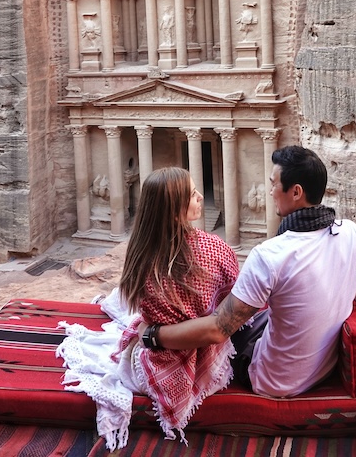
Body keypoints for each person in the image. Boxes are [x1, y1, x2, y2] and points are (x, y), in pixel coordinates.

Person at [138, 146, 356, 399]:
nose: (270, 192)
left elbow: (217, 330)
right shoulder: (353, 233)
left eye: (274, 184)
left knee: (230, 326)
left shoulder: (269, 255)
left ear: (296, 192)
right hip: (324, 368)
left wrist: (151, 335)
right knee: (262, 313)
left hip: (273, 380)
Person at [57, 167, 239, 449]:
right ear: (176, 208)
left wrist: (148, 329)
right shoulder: (214, 247)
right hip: (204, 358)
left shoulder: (141, 252)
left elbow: (145, 316)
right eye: (192, 194)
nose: (201, 197)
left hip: (151, 364)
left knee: (125, 310)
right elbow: (232, 300)